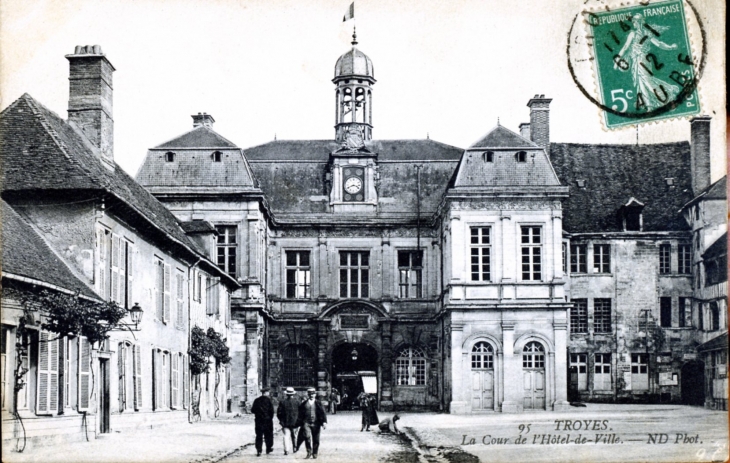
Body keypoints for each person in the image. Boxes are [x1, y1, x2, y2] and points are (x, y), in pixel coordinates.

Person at [297, 387, 327, 459]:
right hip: (306, 423)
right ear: (308, 395)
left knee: (316, 439)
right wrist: (299, 423)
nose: (311, 395)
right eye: (310, 394)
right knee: (307, 437)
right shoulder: (304, 404)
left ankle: (315, 453)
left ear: (315, 394)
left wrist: (324, 422)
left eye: (313, 394)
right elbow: (300, 414)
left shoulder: (318, 403)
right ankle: (309, 452)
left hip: (316, 423)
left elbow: (323, 413)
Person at [251, 387, 275, 456]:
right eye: (268, 392)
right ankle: (268, 448)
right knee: (268, 435)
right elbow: (272, 411)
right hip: (267, 421)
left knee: (259, 435)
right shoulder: (269, 401)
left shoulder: (256, 400)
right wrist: (270, 418)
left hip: (258, 421)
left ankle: (259, 450)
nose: (268, 393)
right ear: (266, 393)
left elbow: (252, 410)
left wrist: (258, 414)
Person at [276, 387, 300, 455]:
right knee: (294, 436)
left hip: (285, 422)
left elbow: (279, 413)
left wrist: (281, 421)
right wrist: (298, 421)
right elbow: (301, 413)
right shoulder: (297, 402)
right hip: (295, 422)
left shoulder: (282, 402)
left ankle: (286, 450)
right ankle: (295, 448)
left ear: (286, 394)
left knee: (286, 436)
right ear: (293, 394)